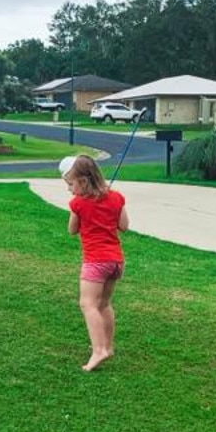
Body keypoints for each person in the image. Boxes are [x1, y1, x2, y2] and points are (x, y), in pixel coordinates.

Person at [61, 154, 129, 371]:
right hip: (115, 261)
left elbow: (72, 230)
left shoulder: (78, 203)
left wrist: (79, 210)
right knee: (104, 304)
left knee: (87, 304)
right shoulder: (116, 197)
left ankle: (98, 350)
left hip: (95, 262)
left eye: (71, 184)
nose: (70, 189)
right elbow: (124, 226)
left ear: (83, 181)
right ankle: (107, 347)